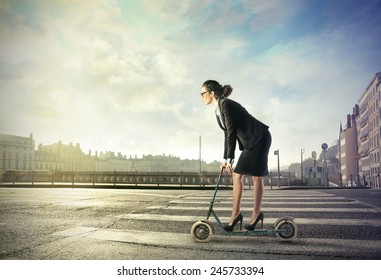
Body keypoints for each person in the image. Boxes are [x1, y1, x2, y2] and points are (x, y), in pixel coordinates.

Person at [201, 80, 271, 232]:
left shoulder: (225, 104)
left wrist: (230, 159)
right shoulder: (218, 110)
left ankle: (252, 213)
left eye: (203, 93)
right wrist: (226, 159)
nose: (201, 97)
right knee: (239, 176)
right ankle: (238, 214)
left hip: (259, 138)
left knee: (253, 176)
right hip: (251, 141)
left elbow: (232, 132)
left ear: (212, 93)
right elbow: (227, 134)